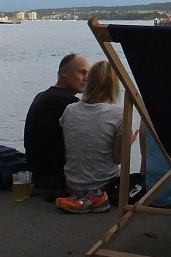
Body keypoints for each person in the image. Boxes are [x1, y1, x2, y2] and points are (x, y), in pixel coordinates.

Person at [55, 60, 123, 214]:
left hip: (71, 183)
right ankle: (96, 197)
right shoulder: (117, 114)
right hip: (104, 184)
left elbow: (69, 149)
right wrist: (129, 142)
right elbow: (118, 158)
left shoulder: (70, 110)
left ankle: (81, 196)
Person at [24, 53, 89, 198]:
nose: (87, 78)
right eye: (82, 72)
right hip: (55, 178)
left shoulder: (41, 96)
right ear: (64, 72)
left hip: (36, 173)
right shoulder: (70, 105)